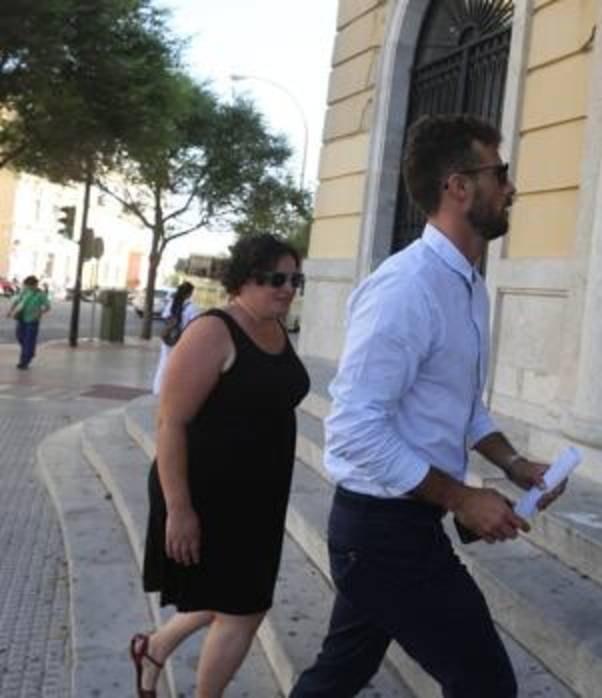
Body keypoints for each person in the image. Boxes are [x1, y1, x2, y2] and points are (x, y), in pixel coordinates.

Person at [290, 115, 567, 698]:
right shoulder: (405, 289)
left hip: (398, 525)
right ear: (458, 186)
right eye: (501, 172)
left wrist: (515, 465)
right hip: (382, 531)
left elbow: (459, 406)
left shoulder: (466, 284)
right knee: (485, 684)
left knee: (338, 675)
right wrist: (463, 497)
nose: (512, 187)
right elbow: (354, 430)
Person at [130, 235, 310, 698]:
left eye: (295, 279)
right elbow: (171, 423)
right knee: (244, 606)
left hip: (258, 498)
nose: (288, 288)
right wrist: (179, 509)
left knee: (233, 597)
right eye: (276, 278)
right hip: (207, 495)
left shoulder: (274, 326)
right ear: (245, 278)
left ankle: (154, 648)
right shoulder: (213, 331)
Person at [152, 281, 198, 394]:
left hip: (168, 339)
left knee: (163, 364)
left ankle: (158, 389)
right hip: (181, 340)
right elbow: (194, 324)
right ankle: (171, 391)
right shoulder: (191, 307)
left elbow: (165, 319)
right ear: (189, 293)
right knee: (177, 366)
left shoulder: (172, 303)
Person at [8, 275, 51, 369]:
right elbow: (17, 301)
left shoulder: (40, 294)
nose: (27, 287)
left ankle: (24, 361)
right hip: (21, 318)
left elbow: (47, 307)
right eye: (26, 285)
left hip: (32, 320)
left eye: (29, 285)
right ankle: (30, 352)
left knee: (29, 340)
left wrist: (40, 312)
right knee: (19, 336)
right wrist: (10, 311)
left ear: (35, 285)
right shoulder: (24, 291)